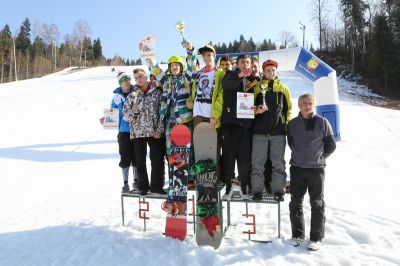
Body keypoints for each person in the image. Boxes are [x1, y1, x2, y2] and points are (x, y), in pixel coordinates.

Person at [287, 93, 336, 251]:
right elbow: (291, 143)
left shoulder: (323, 122)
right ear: (299, 106)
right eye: (305, 104)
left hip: (316, 170)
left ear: (314, 105)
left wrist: (320, 157)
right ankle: (297, 235)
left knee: (317, 203)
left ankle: (316, 238)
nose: (308, 106)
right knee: (295, 202)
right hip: (297, 169)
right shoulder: (292, 124)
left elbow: (331, 145)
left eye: (310, 103)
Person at [250, 59, 292, 202]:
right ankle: (257, 190)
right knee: (257, 162)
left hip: (278, 132)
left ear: (276, 71)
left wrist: (286, 126)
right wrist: (257, 112)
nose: (271, 73)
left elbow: (289, 110)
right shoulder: (257, 88)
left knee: (278, 162)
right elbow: (249, 110)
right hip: (260, 131)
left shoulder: (283, 88)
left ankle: (279, 190)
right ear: (263, 71)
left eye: (273, 70)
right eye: (268, 70)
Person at [123, 68, 165, 196]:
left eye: (140, 76)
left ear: (146, 76)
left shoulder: (157, 94)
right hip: (138, 132)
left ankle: (156, 186)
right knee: (140, 161)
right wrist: (133, 111)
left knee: (157, 159)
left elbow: (162, 113)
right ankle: (143, 187)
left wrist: (159, 130)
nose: (138, 80)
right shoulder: (132, 96)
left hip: (154, 132)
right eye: (136, 78)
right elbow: (125, 116)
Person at [220, 54, 256, 199]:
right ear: (237, 64)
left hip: (246, 125)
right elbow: (226, 85)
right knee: (229, 157)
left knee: (244, 158)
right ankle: (228, 187)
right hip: (231, 124)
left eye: (248, 62)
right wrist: (240, 75)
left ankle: (244, 187)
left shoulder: (253, 80)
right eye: (242, 62)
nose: (245, 64)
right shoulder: (229, 75)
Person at [100, 71, 138, 193]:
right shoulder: (116, 97)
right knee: (125, 157)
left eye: (128, 80)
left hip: (137, 131)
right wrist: (105, 119)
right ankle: (125, 183)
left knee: (137, 158)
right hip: (123, 132)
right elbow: (113, 113)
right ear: (120, 84)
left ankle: (136, 182)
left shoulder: (136, 92)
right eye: (124, 81)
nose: (127, 83)